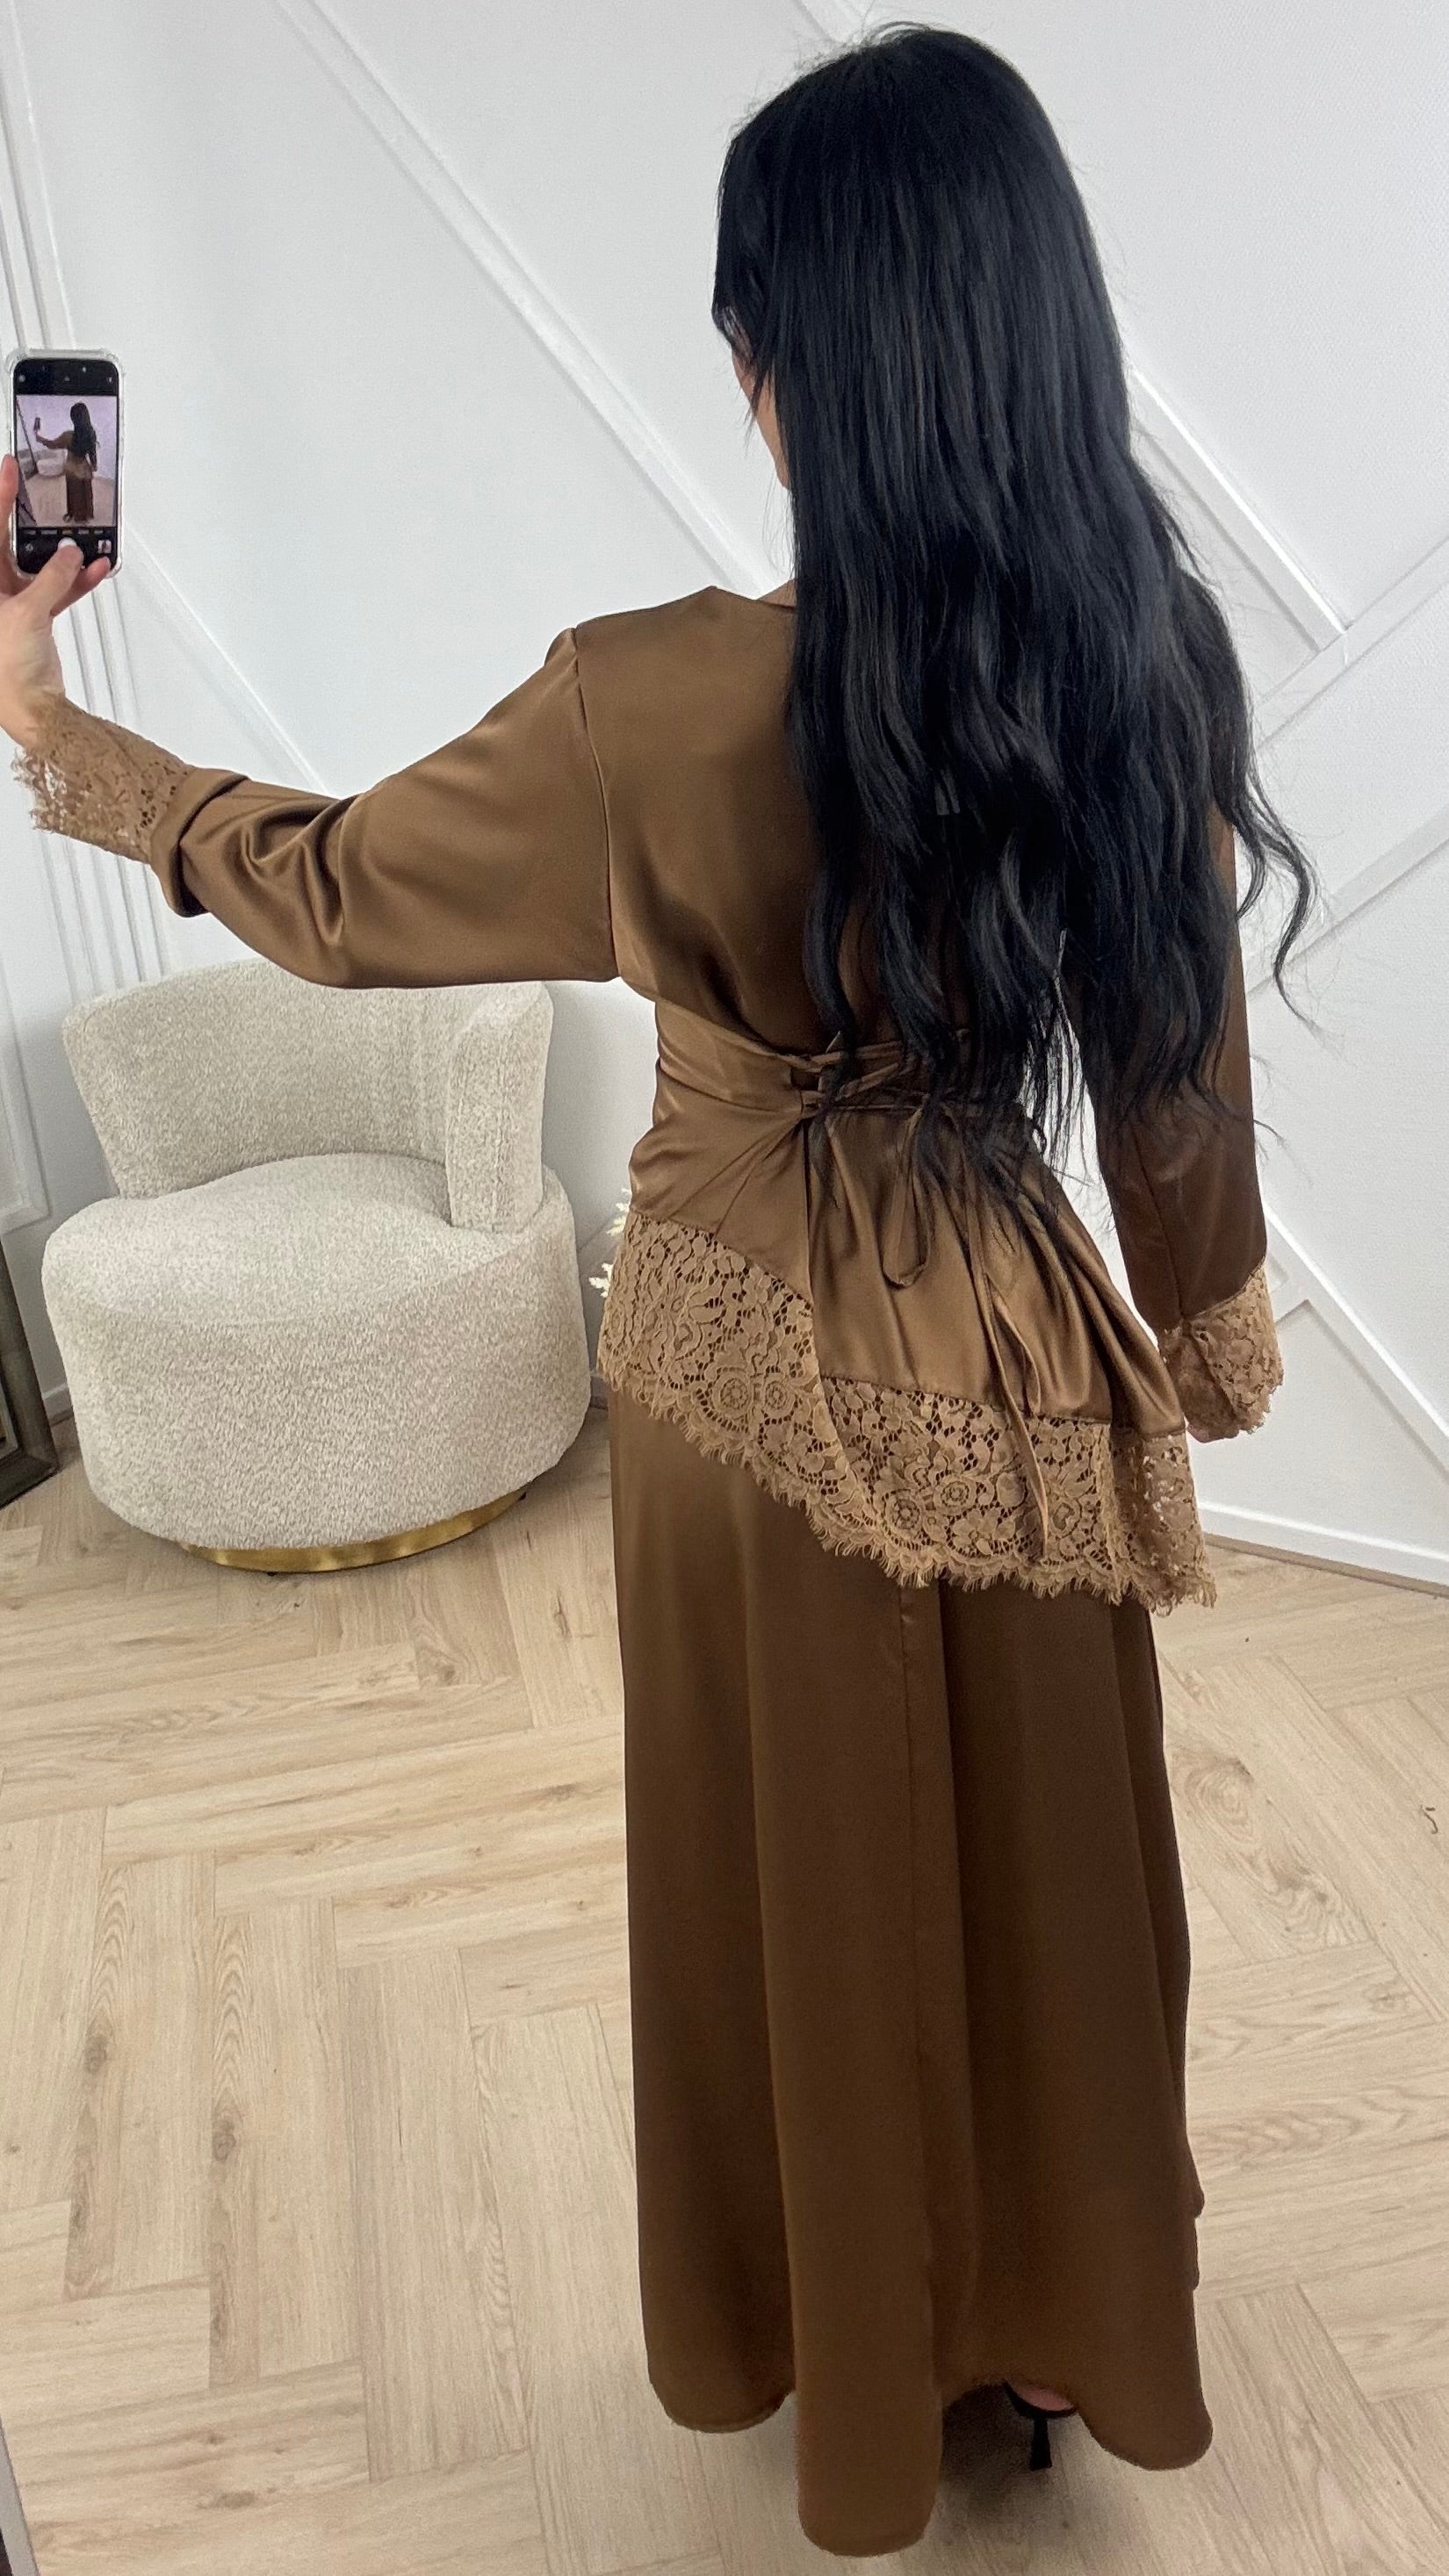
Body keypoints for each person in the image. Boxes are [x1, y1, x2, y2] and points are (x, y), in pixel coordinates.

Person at [0, 25, 1314, 2558]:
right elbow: (1175, 1059)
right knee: (1050, 1862)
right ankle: (1056, 2308)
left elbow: (333, 892)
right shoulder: (1140, 651)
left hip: (742, 1372)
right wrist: (1199, 1320)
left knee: (806, 1872)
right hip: (1019, 1360)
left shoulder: (652, 697)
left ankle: (850, 2348)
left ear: (779, 360)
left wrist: (48, 721)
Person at [32, 399, 98, 523]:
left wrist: (39, 438)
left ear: (73, 419)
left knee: (73, 493)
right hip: (85, 469)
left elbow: (53, 444)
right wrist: (94, 465)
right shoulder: (91, 434)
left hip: (72, 470)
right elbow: (93, 453)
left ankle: (74, 515)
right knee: (86, 492)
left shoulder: (68, 436)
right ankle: (87, 516)